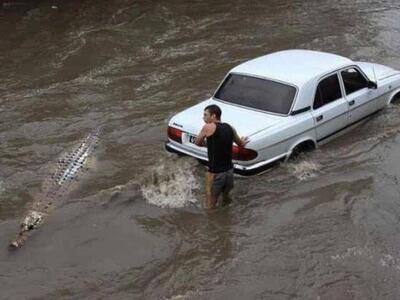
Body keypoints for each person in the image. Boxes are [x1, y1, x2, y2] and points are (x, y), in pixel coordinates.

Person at [195, 104, 248, 209]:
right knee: (226, 198)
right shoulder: (230, 128)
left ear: (213, 116)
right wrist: (244, 140)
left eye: (205, 115)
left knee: (210, 203)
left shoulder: (208, 127)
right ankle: (226, 220)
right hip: (229, 172)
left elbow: (197, 142)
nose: (203, 118)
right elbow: (241, 144)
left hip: (215, 173)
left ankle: (212, 223)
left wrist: (207, 144)